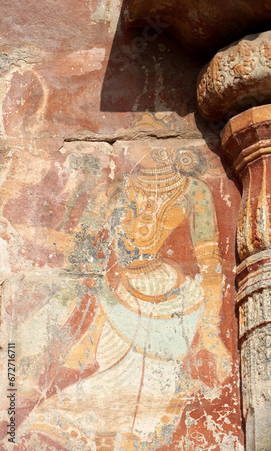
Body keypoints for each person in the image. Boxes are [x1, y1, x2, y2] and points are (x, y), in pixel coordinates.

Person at [17, 143, 230, 450]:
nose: (144, 141)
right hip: (120, 298)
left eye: (149, 124)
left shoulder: (194, 191)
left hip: (175, 305)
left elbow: (210, 266)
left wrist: (211, 333)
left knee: (146, 413)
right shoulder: (112, 192)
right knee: (50, 423)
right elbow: (76, 254)